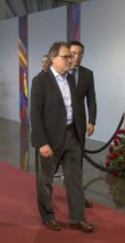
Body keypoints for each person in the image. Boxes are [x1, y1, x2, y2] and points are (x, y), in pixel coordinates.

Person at [30, 42, 95, 233]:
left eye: (71, 56)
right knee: (46, 181)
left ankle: (78, 218)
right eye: (66, 56)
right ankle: (48, 216)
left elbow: (76, 108)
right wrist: (41, 142)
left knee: (74, 179)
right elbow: (35, 114)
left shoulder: (70, 80)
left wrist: (81, 129)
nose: (71, 59)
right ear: (53, 58)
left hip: (72, 135)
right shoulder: (40, 81)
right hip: (49, 139)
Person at [68, 40, 97, 208]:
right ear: (67, 53)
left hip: (79, 125)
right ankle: (47, 202)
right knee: (55, 163)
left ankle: (77, 197)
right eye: (73, 54)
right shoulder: (60, 73)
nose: (77, 57)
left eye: (80, 54)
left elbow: (91, 100)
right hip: (59, 126)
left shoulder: (88, 74)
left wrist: (91, 121)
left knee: (77, 162)